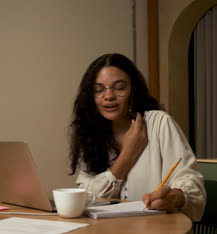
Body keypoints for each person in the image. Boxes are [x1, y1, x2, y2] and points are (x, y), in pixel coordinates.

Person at [69, 53, 206, 221]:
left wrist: (175, 197)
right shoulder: (91, 133)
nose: (108, 96)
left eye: (119, 87)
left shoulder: (160, 123)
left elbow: (192, 184)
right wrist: (127, 155)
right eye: (99, 90)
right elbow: (87, 197)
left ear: (134, 90)